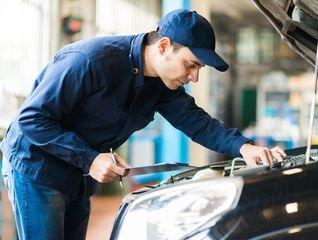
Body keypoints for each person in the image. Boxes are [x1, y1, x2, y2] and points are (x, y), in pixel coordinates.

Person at [0, 9, 286, 240]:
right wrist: (89, 159)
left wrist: (244, 147)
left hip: (78, 172)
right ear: (164, 46)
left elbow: (198, 124)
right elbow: (31, 119)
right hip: (37, 164)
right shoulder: (90, 61)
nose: (194, 77)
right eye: (191, 65)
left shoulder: (161, 85)